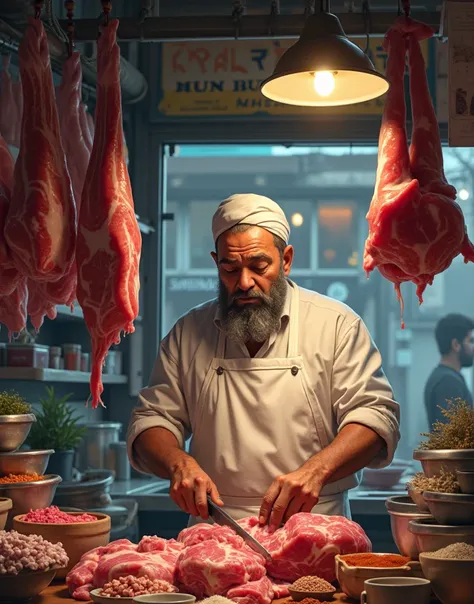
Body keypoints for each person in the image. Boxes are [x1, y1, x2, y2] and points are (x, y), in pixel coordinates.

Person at [127, 194, 400, 527]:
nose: (244, 283)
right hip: (216, 530)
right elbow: (151, 421)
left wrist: (316, 471)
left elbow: (375, 416)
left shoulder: (336, 324)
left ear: (285, 260)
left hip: (315, 526)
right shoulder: (188, 333)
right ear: (216, 263)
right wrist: (178, 464)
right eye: (230, 268)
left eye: (259, 267)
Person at [424, 313, 474, 429]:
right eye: (470, 341)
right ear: (456, 345)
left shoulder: (447, 378)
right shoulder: (448, 382)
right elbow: (455, 436)